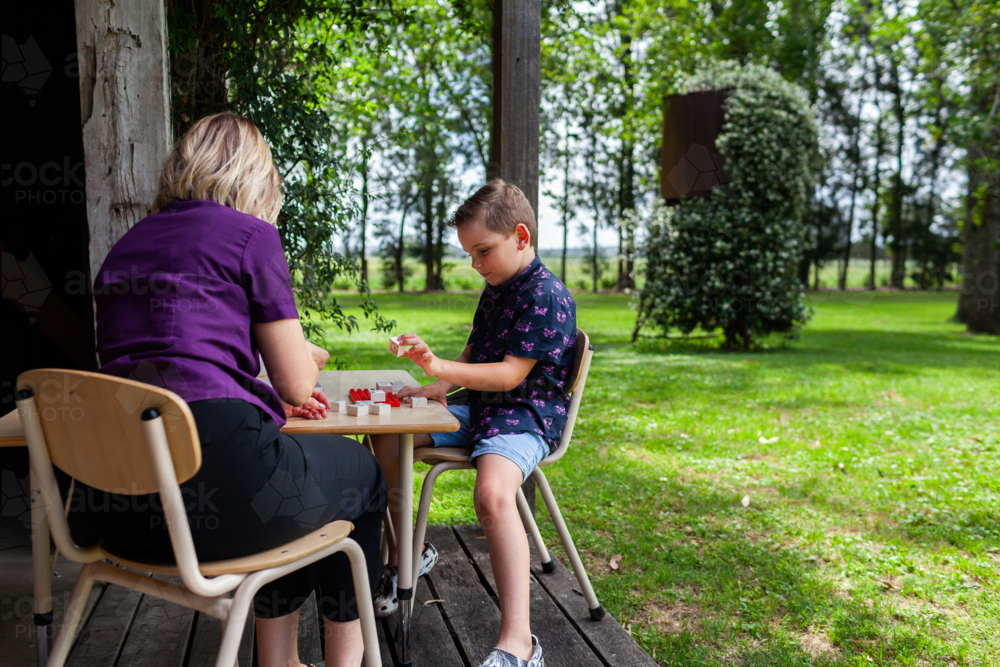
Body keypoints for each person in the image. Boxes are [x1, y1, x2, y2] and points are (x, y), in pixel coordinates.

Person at [80, 112, 386, 667]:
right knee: (360, 476)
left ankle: (281, 662)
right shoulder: (252, 236)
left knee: (282, 473)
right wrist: (308, 359)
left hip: (120, 512)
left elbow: (166, 361)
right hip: (223, 503)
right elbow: (295, 383)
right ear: (256, 178)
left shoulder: (123, 248)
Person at [371, 180, 576, 667]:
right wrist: (439, 385)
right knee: (384, 434)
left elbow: (509, 374)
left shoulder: (546, 294)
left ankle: (520, 644)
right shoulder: (497, 286)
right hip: (480, 409)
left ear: (521, 237)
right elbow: (477, 354)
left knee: (491, 495)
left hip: (525, 417)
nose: (476, 264)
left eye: (483, 250)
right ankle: (407, 556)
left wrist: (441, 368)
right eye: (470, 254)